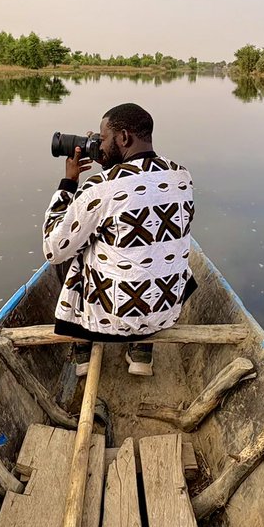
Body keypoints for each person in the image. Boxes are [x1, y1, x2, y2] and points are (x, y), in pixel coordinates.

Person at [42, 102, 195, 376]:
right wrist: (108, 159)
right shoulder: (181, 175)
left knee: (72, 246)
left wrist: (69, 183)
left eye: (102, 139)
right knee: (152, 246)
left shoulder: (101, 187)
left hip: (114, 318)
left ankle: (82, 347)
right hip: (166, 310)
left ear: (123, 137)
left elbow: (53, 250)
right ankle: (141, 351)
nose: (98, 146)